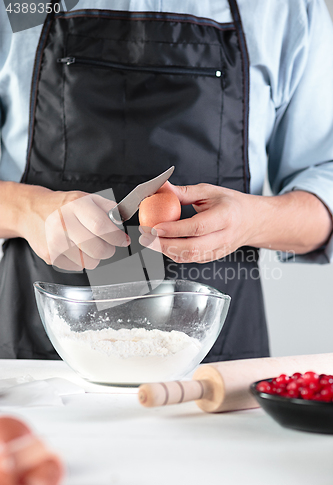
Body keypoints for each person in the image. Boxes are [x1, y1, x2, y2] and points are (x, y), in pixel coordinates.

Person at [0, 0, 332, 360]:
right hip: (43, 354)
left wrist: (252, 222)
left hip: (212, 358)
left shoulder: (283, 9)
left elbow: (324, 195)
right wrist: (30, 209)